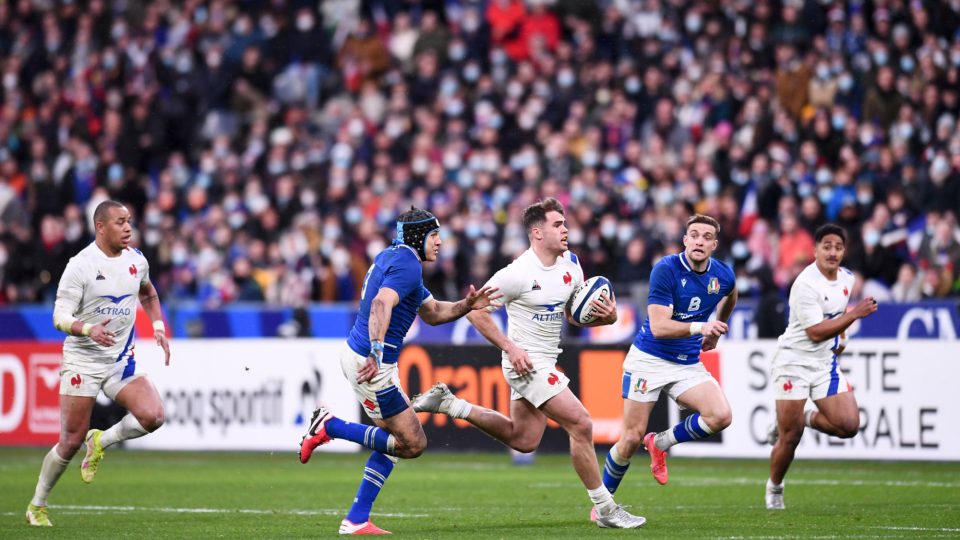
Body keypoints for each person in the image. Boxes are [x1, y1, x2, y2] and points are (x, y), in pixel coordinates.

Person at [412, 198, 647, 529]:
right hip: (525, 362)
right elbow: (476, 311)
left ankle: (452, 405)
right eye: (557, 225)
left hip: (545, 361)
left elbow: (573, 314)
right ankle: (605, 508)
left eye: (565, 224)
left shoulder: (572, 267)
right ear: (536, 233)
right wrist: (510, 347)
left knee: (524, 440)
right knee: (581, 423)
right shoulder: (516, 274)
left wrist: (604, 320)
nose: (565, 229)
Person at [297, 207, 500, 535]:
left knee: (393, 442)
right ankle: (330, 426)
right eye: (434, 235)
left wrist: (466, 305)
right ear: (419, 236)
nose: (440, 242)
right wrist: (377, 351)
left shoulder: (398, 260)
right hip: (371, 363)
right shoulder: (407, 264)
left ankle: (356, 519)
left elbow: (432, 312)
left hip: (367, 358)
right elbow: (380, 304)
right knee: (413, 444)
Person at [26, 200, 171, 527]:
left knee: (154, 415)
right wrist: (90, 329)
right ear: (101, 227)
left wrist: (158, 327)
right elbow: (59, 316)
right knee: (70, 441)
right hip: (83, 360)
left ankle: (101, 440)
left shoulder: (136, 260)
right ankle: (38, 504)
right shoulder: (81, 265)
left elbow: (147, 293)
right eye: (120, 222)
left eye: (129, 221)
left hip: (120, 359)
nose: (128, 228)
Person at [599, 214, 738, 500]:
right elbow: (660, 327)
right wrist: (703, 327)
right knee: (630, 438)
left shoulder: (723, 275)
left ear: (714, 245)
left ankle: (661, 443)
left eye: (707, 237)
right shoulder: (665, 269)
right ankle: (604, 503)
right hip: (649, 360)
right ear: (685, 240)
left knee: (721, 416)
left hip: (686, 362)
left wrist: (716, 331)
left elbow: (731, 294)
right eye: (694, 235)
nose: (700, 240)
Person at [764, 224, 878, 509]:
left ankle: (803, 417)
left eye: (838, 247)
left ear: (844, 251)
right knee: (789, 438)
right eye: (826, 246)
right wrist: (854, 315)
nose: (832, 252)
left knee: (849, 425)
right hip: (794, 362)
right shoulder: (804, 284)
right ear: (814, 250)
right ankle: (775, 487)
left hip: (824, 362)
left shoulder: (847, 279)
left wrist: (842, 336)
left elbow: (833, 317)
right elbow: (815, 331)